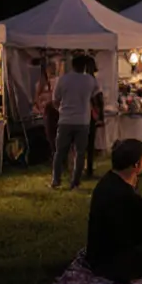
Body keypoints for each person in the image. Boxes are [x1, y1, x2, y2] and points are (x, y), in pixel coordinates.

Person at [87, 139, 142, 282]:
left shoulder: (109, 181)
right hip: (113, 262)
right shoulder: (124, 195)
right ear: (136, 165)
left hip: (100, 255)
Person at [52, 54, 98, 190]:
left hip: (65, 119)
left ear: (72, 65)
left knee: (60, 152)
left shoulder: (63, 79)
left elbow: (55, 100)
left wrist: (61, 110)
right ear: (84, 66)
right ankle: (75, 181)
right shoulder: (90, 80)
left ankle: (56, 180)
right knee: (80, 152)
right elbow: (96, 97)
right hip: (83, 121)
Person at [85, 56, 105, 179]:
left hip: (79, 114)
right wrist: (101, 116)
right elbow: (99, 99)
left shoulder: (78, 80)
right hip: (89, 114)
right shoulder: (93, 81)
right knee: (90, 142)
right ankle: (89, 169)